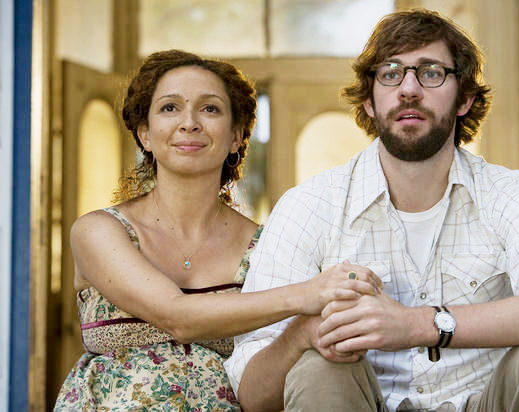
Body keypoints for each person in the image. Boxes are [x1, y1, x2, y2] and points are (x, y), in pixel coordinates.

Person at [225, 9, 519, 412]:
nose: (409, 89)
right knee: (317, 368)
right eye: (391, 73)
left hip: (486, 400)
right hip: (362, 401)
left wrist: (416, 324)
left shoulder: (511, 193)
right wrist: (304, 333)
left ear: (464, 99)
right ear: (370, 100)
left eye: (431, 73)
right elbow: (254, 394)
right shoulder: (309, 206)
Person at [54, 49, 382, 411]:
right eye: (169, 108)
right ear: (144, 134)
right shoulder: (99, 231)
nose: (189, 123)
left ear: (236, 136)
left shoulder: (268, 246)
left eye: (210, 109)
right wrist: (308, 293)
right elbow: (176, 317)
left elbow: (277, 366)